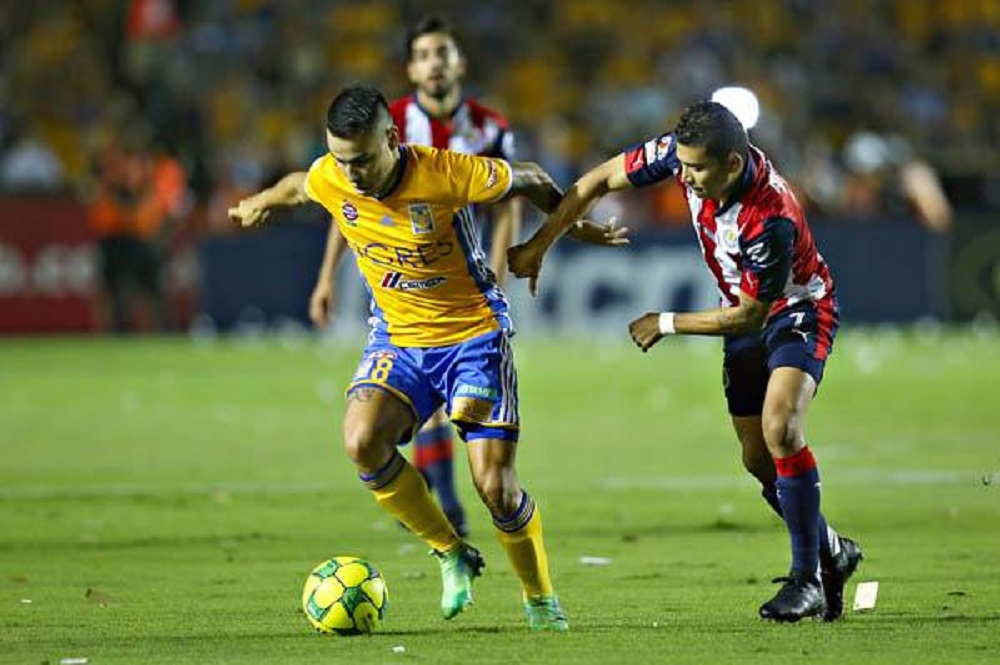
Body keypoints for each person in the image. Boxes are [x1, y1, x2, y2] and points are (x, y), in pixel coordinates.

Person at [229, 84, 625, 630]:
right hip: (398, 337)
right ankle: (450, 550)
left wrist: (569, 229)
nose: (352, 174)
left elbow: (530, 176)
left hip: (473, 335)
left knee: (495, 487)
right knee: (360, 441)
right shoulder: (333, 176)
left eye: (363, 160)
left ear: (392, 139)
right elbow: (301, 185)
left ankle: (540, 599)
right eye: (343, 161)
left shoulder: (445, 172)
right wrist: (261, 200)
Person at [508, 101, 863, 623]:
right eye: (683, 165)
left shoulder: (771, 217)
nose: (687, 177)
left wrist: (667, 322)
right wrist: (543, 243)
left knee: (781, 427)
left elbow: (751, 316)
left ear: (733, 165)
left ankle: (806, 578)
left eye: (697, 169)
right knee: (755, 457)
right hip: (737, 311)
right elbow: (599, 180)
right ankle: (832, 550)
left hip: (796, 309)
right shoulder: (683, 157)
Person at [308, 16, 522, 538]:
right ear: (411, 68)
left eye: (442, 53)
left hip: (462, 281)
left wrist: (501, 268)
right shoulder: (389, 124)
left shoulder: (490, 128)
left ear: (459, 63)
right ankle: (444, 499)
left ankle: (448, 498)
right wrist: (326, 278)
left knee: (464, 405)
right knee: (421, 395)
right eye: (424, 55)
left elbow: (507, 202)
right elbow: (347, 205)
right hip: (406, 279)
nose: (435, 64)